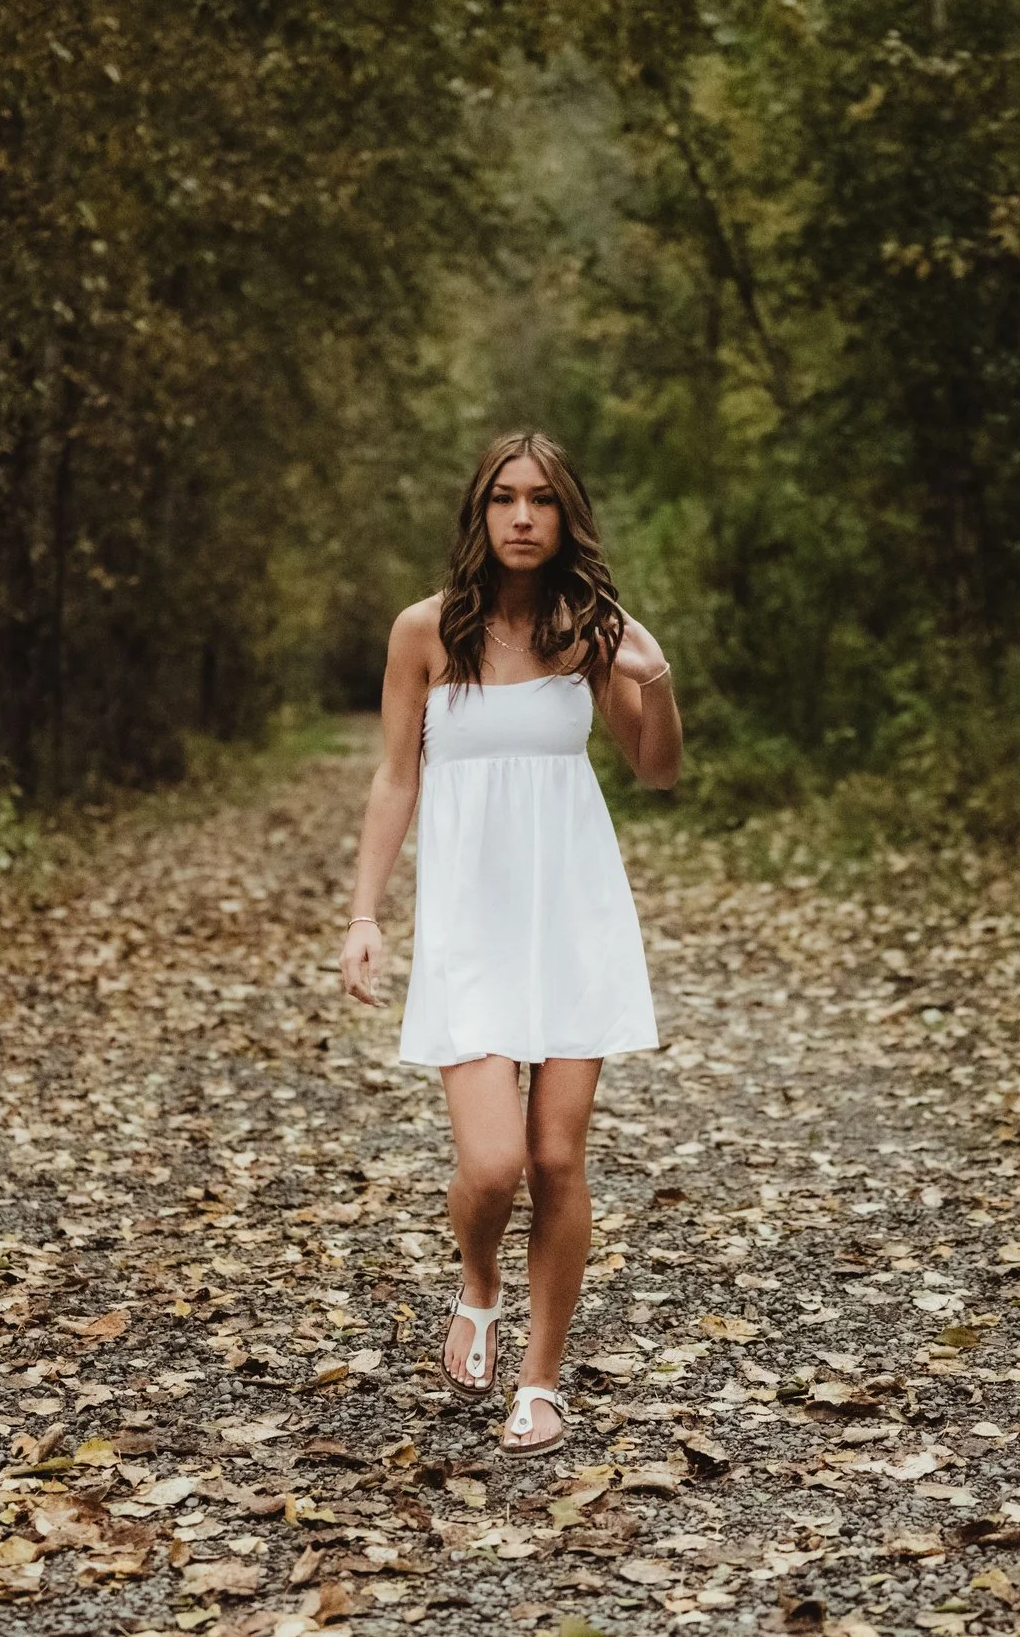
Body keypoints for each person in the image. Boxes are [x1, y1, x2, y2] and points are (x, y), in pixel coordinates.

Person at [339, 431, 680, 1457]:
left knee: (554, 1155)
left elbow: (656, 770)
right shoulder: (424, 633)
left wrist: (654, 680)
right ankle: (477, 1281)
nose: (522, 516)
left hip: (571, 918)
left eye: (540, 499)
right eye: (503, 498)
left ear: (566, 515)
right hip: (470, 926)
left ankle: (540, 1377)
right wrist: (364, 914)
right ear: (479, 514)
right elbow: (396, 777)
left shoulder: (594, 631)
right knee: (491, 1166)